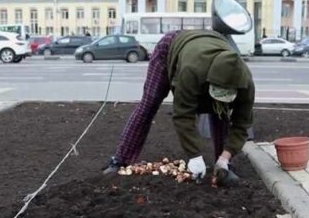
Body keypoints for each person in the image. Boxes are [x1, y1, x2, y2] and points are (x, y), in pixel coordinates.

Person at [104, 29, 255, 184]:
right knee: (149, 103)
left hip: (205, 49)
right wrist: (194, 155)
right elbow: (183, 114)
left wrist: (225, 157)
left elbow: (242, 124)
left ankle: (223, 166)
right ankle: (120, 160)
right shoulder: (191, 71)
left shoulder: (246, 84)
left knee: (220, 112)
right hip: (171, 48)